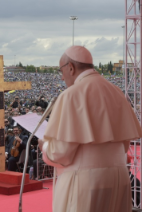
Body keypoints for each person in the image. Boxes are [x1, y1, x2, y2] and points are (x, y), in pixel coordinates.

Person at [38, 46, 142, 212]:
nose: (62, 77)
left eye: (61, 71)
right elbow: (124, 144)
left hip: (86, 182)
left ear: (70, 68)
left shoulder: (71, 95)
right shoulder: (116, 92)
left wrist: (44, 145)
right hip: (119, 178)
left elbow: (60, 153)